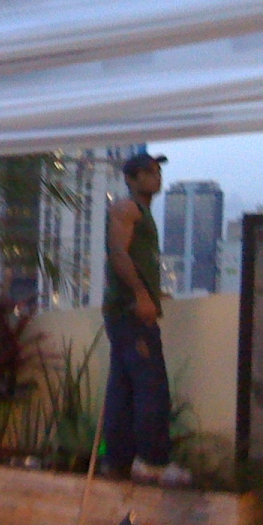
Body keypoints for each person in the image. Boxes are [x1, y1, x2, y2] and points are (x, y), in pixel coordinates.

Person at [101, 152, 190, 486]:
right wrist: (140, 294)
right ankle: (152, 461)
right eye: (149, 172)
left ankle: (118, 462)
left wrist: (153, 292)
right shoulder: (127, 208)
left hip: (126, 312)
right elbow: (118, 253)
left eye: (157, 171)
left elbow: (136, 258)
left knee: (123, 389)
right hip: (130, 314)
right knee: (151, 386)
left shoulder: (142, 212)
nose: (157, 177)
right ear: (131, 179)